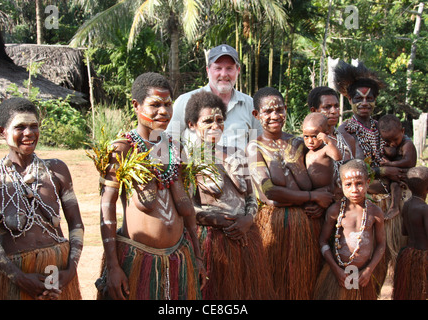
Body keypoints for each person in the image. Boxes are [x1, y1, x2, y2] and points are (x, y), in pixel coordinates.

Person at [94, 72, 205, 300]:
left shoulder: (175, 149)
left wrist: (197, 256)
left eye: (167, 104)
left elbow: (186, 210)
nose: (163, 111)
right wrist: (114, 267)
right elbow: (107, 208)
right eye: (155, 105)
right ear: (136, 105)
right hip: (138, 259)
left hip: (179, 258)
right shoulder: (122, 148)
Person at [0, 97, 84, 300]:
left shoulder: (57, 170)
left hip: (58, 270)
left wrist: (70, 270)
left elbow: (76, 224)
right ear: (3, 132)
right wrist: (19, 278)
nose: (29, 133)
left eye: (34, 126)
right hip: (15, 278)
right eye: (20, 127)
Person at [185, 90, 274, 299]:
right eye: (207, 121)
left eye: (219, 120)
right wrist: (215, 219)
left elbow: (252, 197)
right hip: (211, 241)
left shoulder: (237, 153)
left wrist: (248, 219)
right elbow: (187, 206)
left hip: (244, 238)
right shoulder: (188, 160)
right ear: (192, 125)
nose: (215, 126)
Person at [246, 86, 333, 299]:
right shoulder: (254, 148)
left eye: (279, 109)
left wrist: (322, 198)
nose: (275, 115)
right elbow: (270, 192)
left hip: (307, 224)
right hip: (274, 224)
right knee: (275, 283)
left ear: (286, 109)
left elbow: (321, 176)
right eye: (267, 111)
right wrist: (312, 197)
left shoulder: (300, 142)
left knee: (305, 282)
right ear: (256, 115)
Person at [334, 60, 399, 285]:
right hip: (363, 204)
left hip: (388, 203)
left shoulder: (382, 126)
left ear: (375, 101)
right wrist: (384, 170)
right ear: (349, 100)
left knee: (385, 264)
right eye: (358, 99)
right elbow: (353, 167)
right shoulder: (345, 130)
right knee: (362, 260)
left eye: (369, 98)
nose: (364, 103)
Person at [167, 44, 262, 151]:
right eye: (218, 68)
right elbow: (169, 142)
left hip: (240, 167)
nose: (224, 74)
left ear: (238, 71)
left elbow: (258, 146)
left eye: (229, 68)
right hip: (194, 167)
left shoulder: (250, 105)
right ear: (208, 71)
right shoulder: (185, 101)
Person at [314, 159, 386, 300]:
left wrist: (369, 270)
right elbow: (323, 241)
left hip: (362, 275)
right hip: (338, 274)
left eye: (359, 183)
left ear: (367, 184)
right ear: (341, 186)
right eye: (348, 184)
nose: (354, 189)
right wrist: (336, 270)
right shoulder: (335, 211)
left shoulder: (375, 212)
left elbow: (381, 244)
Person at [307, 86, 356, 199]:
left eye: (336, 106)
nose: (334, 111)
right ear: (314, 111)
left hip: (346, 202)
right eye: (327, 107)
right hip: (318, 201)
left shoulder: (348, 140)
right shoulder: (307, 143)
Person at [392, 166, 428, 300]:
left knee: (410, 292)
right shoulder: (424, 208)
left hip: (408, 254)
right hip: (423, 256)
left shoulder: (407, 205)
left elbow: (404, 231)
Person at [378, 114, 417, 219]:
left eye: (395, 139)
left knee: (396, 184)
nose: (392, 144)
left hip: (406, 173)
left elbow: (408, 161)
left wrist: (390, 164)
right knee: (393, 183)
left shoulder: (407, 144)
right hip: (395, 173)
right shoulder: (389, 145)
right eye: (388, 141)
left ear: (403, 131)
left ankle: (394, 207)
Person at [302, 112, 342, 193]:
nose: (310, 141)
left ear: (325, 134)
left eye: (314, 136)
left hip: (326, 188)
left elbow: (338, 157)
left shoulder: (325, 149)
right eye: (306, 136)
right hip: (313, 189)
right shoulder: (307, 150)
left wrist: (329, 141)